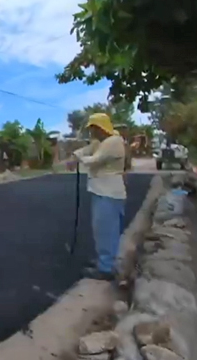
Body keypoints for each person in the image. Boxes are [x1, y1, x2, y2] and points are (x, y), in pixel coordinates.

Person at [70, 113, 127, 281]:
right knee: (101, 229)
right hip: (100, 191)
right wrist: (75, 155)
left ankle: (106, 268)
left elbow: (94, 160)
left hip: (109, 192)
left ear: (101, 127)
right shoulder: (101, 142)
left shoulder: (114, 142)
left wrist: (79, 158)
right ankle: (104, 261)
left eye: (93, 128)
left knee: (107, 230)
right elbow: (86, 149)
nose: (91, 133)